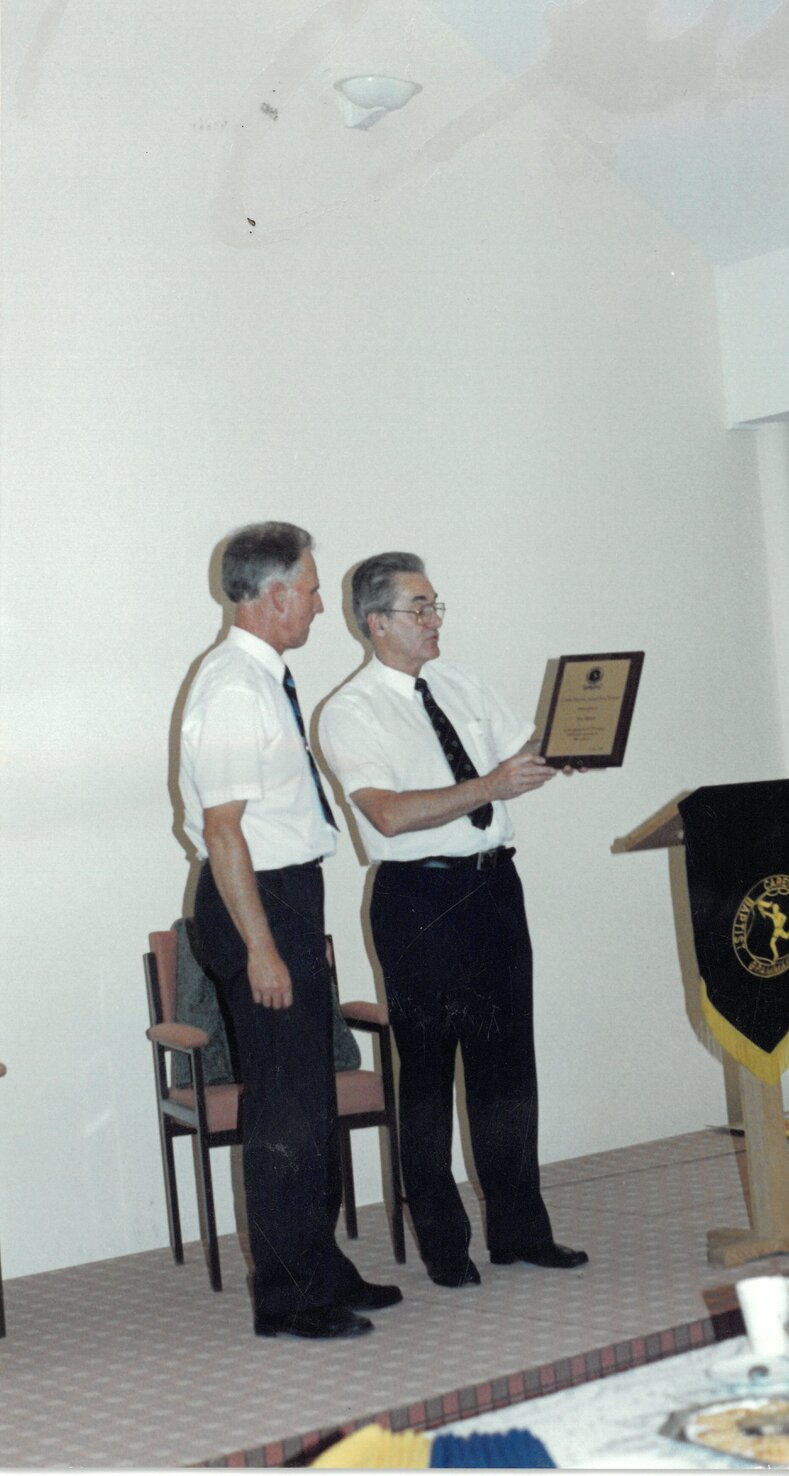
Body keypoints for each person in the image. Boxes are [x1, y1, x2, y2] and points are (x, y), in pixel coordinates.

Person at [318, 552, 588, 1288]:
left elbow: (515, 757)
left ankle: (520, 1231)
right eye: (420, 609)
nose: (436, 621)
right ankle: (443, 1246)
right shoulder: (349, 711)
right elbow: (388, 814)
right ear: (377, 623)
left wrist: (569, 744)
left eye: (438, 606)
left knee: (508, 1069)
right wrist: (495, 783)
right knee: (428, 1077)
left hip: (494, 889)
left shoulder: (461, 683)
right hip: (421, 902)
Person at [178, 522, 401, 1339]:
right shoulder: (235, 687)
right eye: (308, 588)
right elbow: (225, 832)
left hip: (280, 896)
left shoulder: (260, 678)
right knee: (282, 1109)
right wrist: (264, 947)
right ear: (272, 597)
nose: (315, 601)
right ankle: (290, 1298)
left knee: (307, 1099)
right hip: (255, 904)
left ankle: (322, 1267)